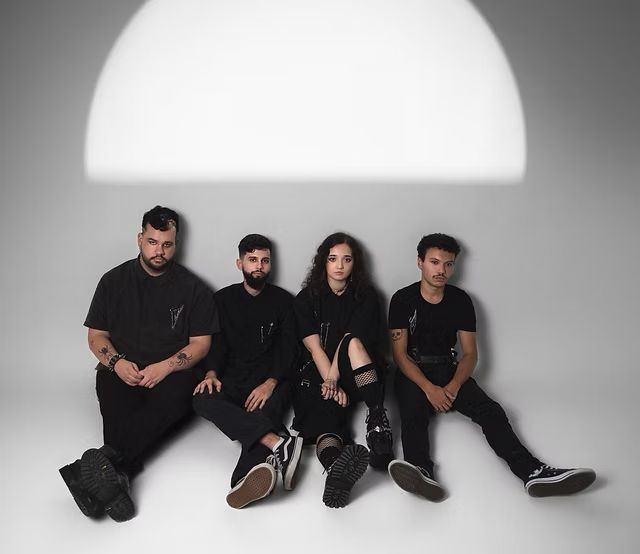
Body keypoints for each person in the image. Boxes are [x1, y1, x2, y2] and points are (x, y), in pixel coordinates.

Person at [387, 233, 596, 500]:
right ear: (420, 262)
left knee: (491, 411)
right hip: (414, 372)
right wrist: (429, 389)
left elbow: (470, 354)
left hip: (449, 369)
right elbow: (400, 355)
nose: (441, 270)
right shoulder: (402, 299)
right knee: (413, 413)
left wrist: (453, 386)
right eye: (434, 262)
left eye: (448, 264)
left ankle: (532, 472)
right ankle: (421, 471)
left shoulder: (460, 300)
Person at [59, 206, 218, 521]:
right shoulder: (113, 281)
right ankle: (117, 475)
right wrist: (117, 363)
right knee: (119, 415)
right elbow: (96, 336)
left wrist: (165, 366)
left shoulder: (192, 288)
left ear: (176, 244)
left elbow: (202, 344)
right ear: (139, 239)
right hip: (120, 372)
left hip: (171, 375)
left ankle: (92, 472)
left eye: (167, 244)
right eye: (152, 242)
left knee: (180, 393)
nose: (159, 251)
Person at [192, 234, 302, 509]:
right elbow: (216, 344)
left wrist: (270, 383)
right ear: (239, 263)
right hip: (233, 379)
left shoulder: (284, 301)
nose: (259, 266)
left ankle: (242, 481)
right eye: (252, 260)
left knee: (261, 414)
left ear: (270, 264)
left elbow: (289, 349)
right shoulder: (222, 300)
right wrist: (211, 373)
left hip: (272, 381)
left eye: (265, 261)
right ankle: (278, 442)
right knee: (201, 398)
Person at [292, 232, 393, 508]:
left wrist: (334, 379)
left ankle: (377, 421)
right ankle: (334, 467)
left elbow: (350, 341)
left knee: (353, 342)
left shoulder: (366, 296)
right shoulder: (306, 298)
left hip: (358, 372)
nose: (339, 265)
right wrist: (330, 383)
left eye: (346, 259)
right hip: (319, 372)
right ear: (323, 262)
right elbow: (315, 348)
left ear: (354, 263)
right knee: (326, 423)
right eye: (333, 259)